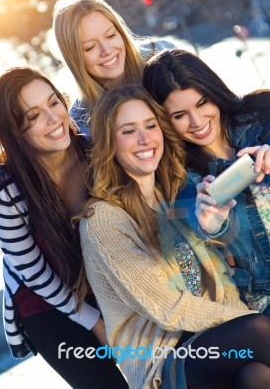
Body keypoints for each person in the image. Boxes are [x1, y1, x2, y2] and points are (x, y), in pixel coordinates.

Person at [78, 83, 270, 389]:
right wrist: (246, 320)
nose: (144, 139)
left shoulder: (172, 196)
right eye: (128, 131)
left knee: (256, 378)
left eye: (150, 125)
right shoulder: (101, 220)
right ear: (109, 143)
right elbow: (169, 308)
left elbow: (218, 282)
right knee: (260, 329)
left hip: (213, 344)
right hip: (164, 362)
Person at [0, 66, 128, 389]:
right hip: (48, 306)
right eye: (33, 116)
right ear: (13, 131)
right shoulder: (4, 189)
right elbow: (32, 273)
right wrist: (95, 323)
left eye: (54, 103)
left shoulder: (92, 151)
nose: (53, 119)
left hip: (107, 284)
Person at [143, 48, 270, 315]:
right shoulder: (179, 185)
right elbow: (192, 282)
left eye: (202, 103)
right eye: (179, 116)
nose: (197, 122)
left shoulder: (262, 115)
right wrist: (209, 229)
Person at [52, 0, 174, 140]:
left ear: (120, 31)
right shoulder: (81, 124)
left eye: (111, 35)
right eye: (90, 47)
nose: (107, 50)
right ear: (74, 59)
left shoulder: (163, 55)